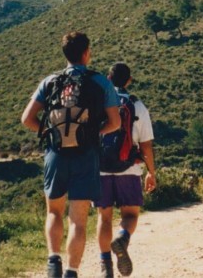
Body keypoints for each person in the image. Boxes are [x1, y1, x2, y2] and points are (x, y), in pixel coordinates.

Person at [22, 31, 121, 278]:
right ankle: (71, 272)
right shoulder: (101, 82)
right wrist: (93, 133)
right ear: (86, 53)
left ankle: (53, 261)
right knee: (77, 220)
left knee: (54, 212)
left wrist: (49, 132)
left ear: (65, 54)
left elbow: (27, 119)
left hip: (55, 154)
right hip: (86, 155)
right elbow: (115, 122)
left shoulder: (49, 82)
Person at [94, 62, 157, 278]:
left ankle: (105, 267)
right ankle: (122, 237)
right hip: (129, 168)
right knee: (130, 214)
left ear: (108, 79)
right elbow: (146, 145)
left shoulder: (98, 103)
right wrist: (151, 172)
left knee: (103, 218)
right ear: (129, 81)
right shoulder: (137, 106)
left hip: (100, 169)